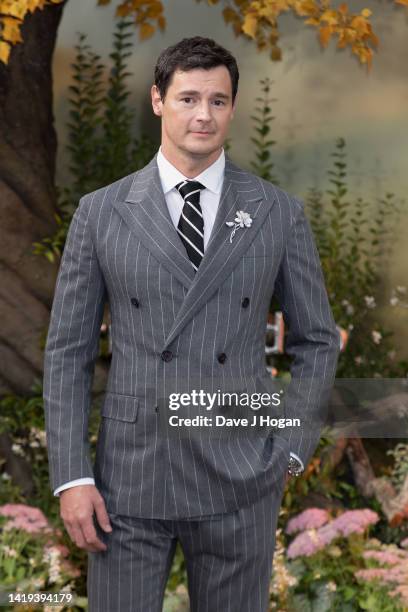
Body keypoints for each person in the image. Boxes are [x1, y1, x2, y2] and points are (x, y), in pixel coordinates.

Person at [43, 36, 340, 612]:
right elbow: (66, 353)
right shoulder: (101, 212)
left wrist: (291, 448)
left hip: (241, 473)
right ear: (157, 101)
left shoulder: (277, 212)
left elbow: (318, 339)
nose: (203, 114)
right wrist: (71, 475)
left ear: (232, 107)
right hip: (127, 476)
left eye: (219, 101)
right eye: (188, 98)